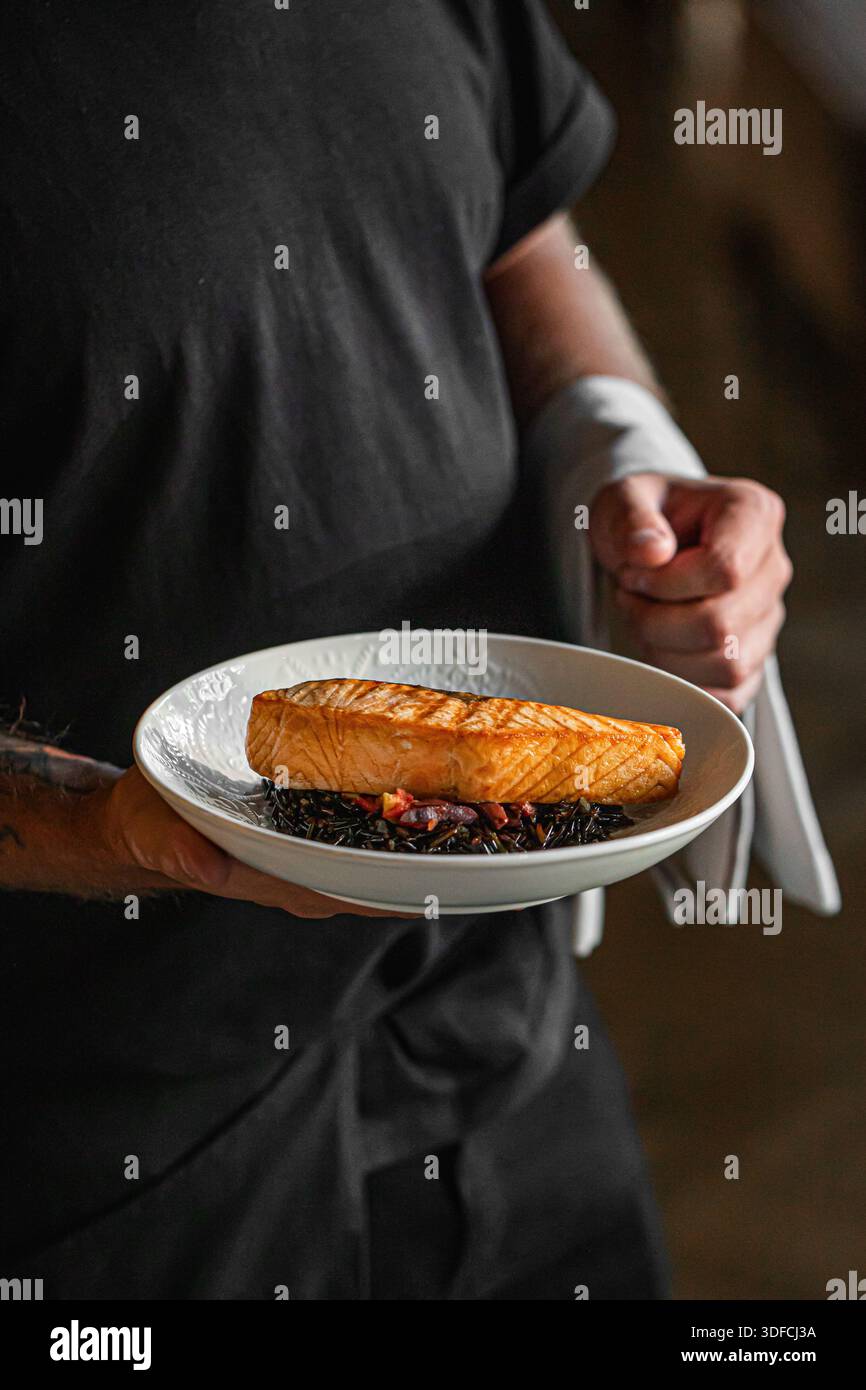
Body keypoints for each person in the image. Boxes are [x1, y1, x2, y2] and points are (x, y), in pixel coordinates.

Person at [0, 1, 792, 1299]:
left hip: (496, 1021)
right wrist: (96, 825)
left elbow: (516, 229)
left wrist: (629, 451)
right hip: (113, 1145)